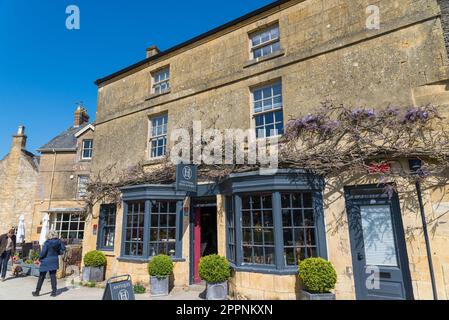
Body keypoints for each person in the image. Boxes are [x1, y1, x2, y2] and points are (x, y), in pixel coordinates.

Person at [32, 230, 65, 297]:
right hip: (54, 260)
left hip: (46, 261)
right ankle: (54, 292)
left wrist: (40, 258)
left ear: (48, 235)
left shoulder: (47, 243)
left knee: (41, 277)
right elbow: (62, 250)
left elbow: (43, 252)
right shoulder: (59, 242)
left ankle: (37, 292)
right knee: (53, 276)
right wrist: (57, 253)